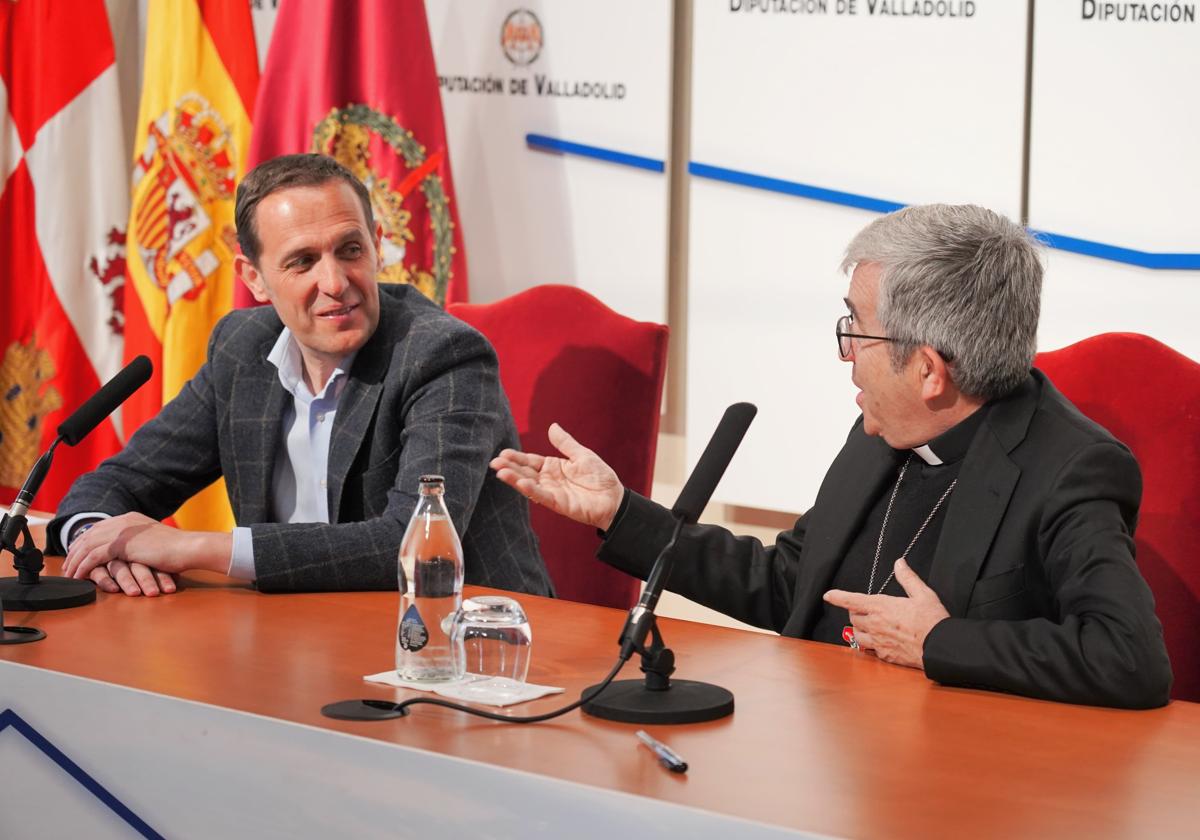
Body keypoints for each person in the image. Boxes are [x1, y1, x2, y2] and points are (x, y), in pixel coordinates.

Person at [492, 204, 1173, 709]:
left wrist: (939, 643)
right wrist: (620, 514)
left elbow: (1131, 659)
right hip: (820, 749)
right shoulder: (882, 429)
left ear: (929, 370)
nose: (846, 351)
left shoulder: (1069, 469)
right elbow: (793, 582)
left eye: (857, 328)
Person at [55, 154, 553, 599]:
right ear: (254, 278)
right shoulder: (241, 349)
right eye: (302, 261)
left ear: (377, 246)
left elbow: (413, 543)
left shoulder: (443, 355)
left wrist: (192, 548)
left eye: (350, 250)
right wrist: (104, 544)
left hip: (465, 643)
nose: (335, 283)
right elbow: (122, 482)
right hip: (296, 637)